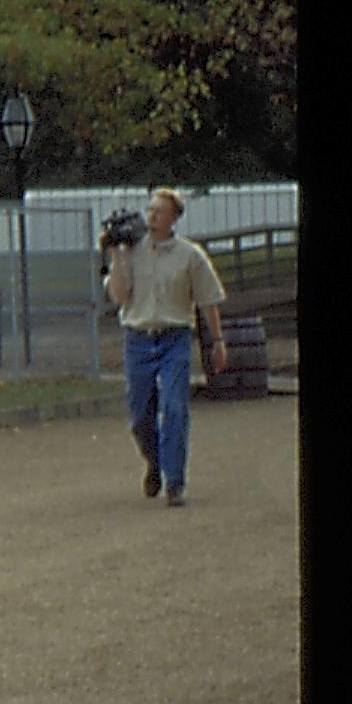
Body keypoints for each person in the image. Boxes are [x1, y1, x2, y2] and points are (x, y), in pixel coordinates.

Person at [104, 188, 230, 508]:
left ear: (174, 217)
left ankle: (175, 482)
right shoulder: (133, 250)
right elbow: (119, 296)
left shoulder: (190, 255)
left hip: (173, 336)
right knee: (139, 414)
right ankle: (154, 462)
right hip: (138, 337)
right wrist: (115, 253)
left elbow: (208, 300)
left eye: (159, 211)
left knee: (174, 407)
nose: (152, 217)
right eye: (150, 210)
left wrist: (217, 341)